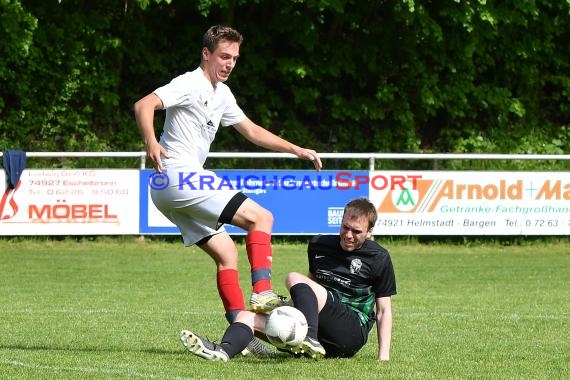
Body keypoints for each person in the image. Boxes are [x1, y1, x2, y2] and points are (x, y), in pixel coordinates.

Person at [133, 25, 322, 355]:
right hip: (179, 176)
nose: (230, 63)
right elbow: (143, 105)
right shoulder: (190, 83)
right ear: (206, 54)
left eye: (234, 57)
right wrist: (150, 140)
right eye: (224, 56)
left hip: (165, 189)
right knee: (261, 217)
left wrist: (296, 149)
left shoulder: (222, 94)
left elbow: (250, 130)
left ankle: (243, 330)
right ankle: (262, 292)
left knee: (227, 253)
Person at [179, 197, 396, 361]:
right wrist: (286, 309)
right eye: (345, 227)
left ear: (369, 231)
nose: (348, 235)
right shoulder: (319, 245)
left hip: (350, 333)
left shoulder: (378, 257)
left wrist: (383, 358)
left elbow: (384, 310)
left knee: (293, 276)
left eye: (356, 231)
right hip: (319, 328)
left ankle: (307, 337)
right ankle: (223, 351)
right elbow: (311, 289)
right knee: (245, 316)